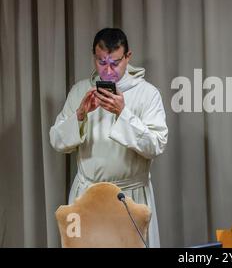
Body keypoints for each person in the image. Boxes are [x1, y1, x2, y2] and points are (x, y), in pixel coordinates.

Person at [50, 28, 168, 247]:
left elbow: (156, 145)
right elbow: (57, 141)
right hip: (88, 194)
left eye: (114, 62)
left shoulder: (147, 94)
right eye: (101, 62)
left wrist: (123, 114)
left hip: (130, 196)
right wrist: (79, 116)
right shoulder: (80, 91)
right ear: (94, 57)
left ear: (128, 57)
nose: (108, 70)